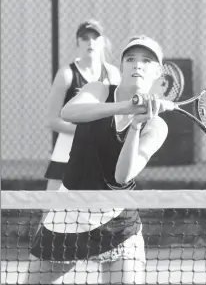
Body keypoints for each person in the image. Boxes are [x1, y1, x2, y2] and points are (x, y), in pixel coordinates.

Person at [24, 35, 168, 284]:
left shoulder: (156, 125)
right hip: (68, 214)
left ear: (158, 72)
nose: (137, 65)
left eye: (146, 60)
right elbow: (69, 112)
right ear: (121, 66)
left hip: (117, 223)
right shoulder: (98, 90)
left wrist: (135, 126)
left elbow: (122, 176)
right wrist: (125, 107)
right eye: (131, 59)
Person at [45, 19, 121, 190]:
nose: (90, 42)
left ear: (102, 42)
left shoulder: (113, 74)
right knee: (52, 202)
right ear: (77, 42)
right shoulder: (66, 74)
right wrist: (83, 131)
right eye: (85, 38)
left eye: (95, 38)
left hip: (102, 146)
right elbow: (52, 120)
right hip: (68, 144)